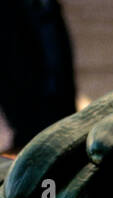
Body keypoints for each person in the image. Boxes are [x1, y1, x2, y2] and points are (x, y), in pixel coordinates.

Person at [0, 0, 76, 151]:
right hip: (26, 114)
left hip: (59, 110)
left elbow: (62, 62)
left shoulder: (50, 7)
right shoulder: (8, 11)